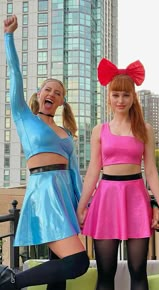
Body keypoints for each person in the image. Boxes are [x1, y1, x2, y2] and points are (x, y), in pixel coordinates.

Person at [0, 15, 89, 290]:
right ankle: (10, 282)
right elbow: (15, 74)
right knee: (78, 262)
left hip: (64, 198)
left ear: (62, 101)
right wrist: (8, 36)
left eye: (58, 92)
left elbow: (75, 173)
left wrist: (81, 206)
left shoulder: (66, 133)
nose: (52, 93)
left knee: (59, 271)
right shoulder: (25, 119)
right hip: (43, 194)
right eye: (48, 89)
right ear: (40, 94)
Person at [77, 58, 159, 290]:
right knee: (106, 274)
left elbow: (152, 172)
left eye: (126, 95)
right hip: (106, 198)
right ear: (109, 97)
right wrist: (81, 207)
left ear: (132, 97)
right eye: (116, 94)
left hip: (136, 198)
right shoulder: (100, 130)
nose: (120, 100)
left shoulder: (144, 129)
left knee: (139, 272)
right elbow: (93, 172)